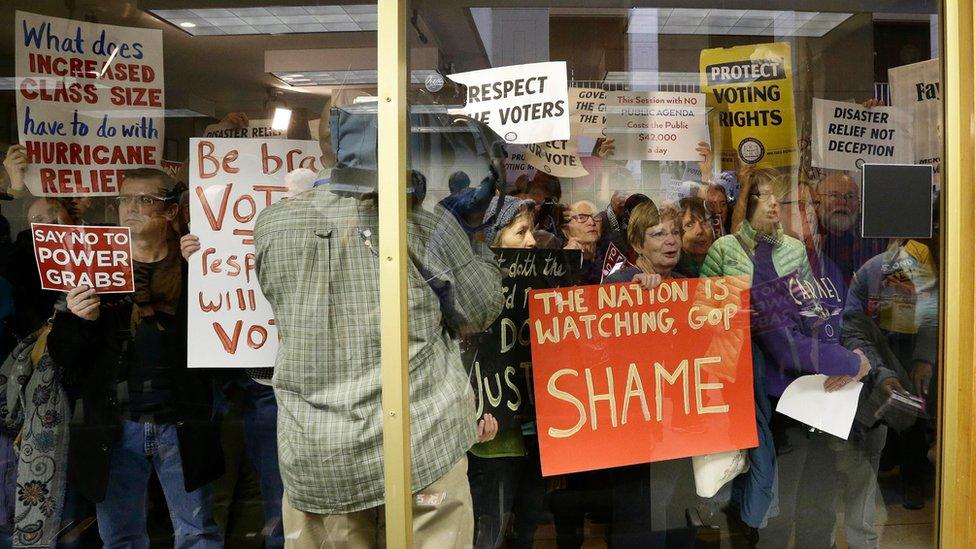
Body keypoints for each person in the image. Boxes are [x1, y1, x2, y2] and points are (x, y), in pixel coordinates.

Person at [253, 151, 503, 547]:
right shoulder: (424, 222)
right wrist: (475, 239)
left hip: (319, 449)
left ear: (328, 149)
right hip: (422, 446)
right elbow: (478, 310)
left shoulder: (273, 224)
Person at [47, 168, 224, 548]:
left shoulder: (197, 262)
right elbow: (64, 358)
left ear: (171, 211)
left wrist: (204, 273)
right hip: (115, 424)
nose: (130, 208)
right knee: (121, 537)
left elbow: (222, 340)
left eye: (144, 200)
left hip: (181, 419)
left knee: (198, 534)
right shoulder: (92, 266)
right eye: (123, 199)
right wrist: (79, 320)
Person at [700, 168, 871, 547]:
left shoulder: (795, 250)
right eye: (764, 196)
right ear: (745, 203)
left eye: (782, 197)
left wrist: (846, 359)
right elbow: (709, 323)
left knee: (815, 497)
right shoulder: (724, 250)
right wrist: (847, 361)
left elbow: (810, 318)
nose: (775, 204)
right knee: (769, 501)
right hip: (751, 390)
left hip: (805, 390)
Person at [603, 201, 697, 546]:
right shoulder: (621, 283)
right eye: (658, 234)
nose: (671, 240)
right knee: (640, 520)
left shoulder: (687, 286)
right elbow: (603, 352)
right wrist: (634, 297)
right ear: (638, 245)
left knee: (677, 516)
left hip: (678, 424)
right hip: (636, 430)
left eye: (675, 232)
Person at [467, 195, 544, 549]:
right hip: (495, 439)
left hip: (538, 435)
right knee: (490, 533)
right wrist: (473, 408)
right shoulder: (472, 292)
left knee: (527, 529)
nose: (531, 241)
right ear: (494, 238)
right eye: (521, 231)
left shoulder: (545, 278)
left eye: (533, 231)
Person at [675, 197, 715, 278]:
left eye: (704, 223)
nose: (700, 230)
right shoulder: (671, 272)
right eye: (689, 225)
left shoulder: (724, 264)